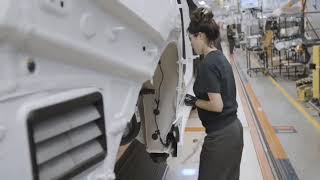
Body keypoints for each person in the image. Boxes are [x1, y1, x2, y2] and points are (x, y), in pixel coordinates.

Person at [184, 7, 243, 180]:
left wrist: (194, 101)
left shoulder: (207, 64)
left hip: (221, 136)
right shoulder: (220, 57)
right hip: (234, 130)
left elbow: (217, 106)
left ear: (201, 36)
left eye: (192, 38)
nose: (191, 44)